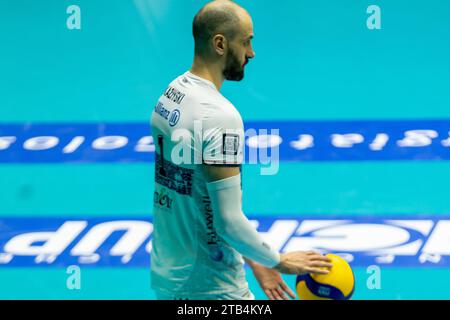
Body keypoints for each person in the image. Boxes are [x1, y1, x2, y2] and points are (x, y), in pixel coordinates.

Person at [150, 0, 332, 300]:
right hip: (211, 288)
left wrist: (255, 259)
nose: (251, 53)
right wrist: (279, 260)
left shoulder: (172, 94)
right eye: (246, 42)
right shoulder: (219, 116)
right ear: (220, 44)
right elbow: (228, 220)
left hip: (170, 279)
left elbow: (201, 197)